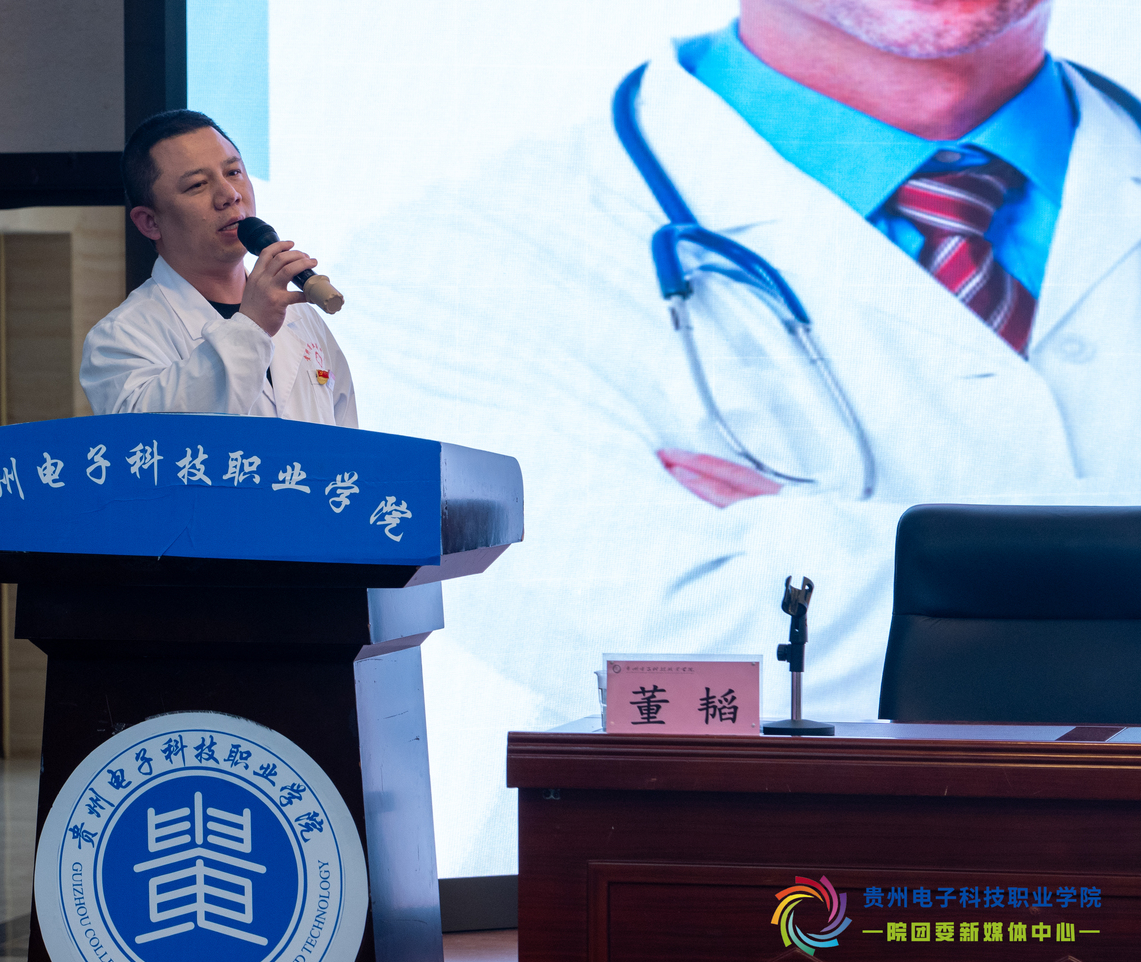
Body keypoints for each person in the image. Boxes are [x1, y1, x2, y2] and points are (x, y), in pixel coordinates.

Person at [347, 0, 1141, 724]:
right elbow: (651, 643)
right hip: (738, 845)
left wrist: (809, 548)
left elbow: (764, 634)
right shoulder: (451, 265)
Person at [80, 110, 357, 427]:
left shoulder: (301, 317)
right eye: (197, 184)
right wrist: (252, 327)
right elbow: (155, 439)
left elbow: (348, 442)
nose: (230, 195)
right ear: (150, 222)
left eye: (234, 172)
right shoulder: (120, 339)